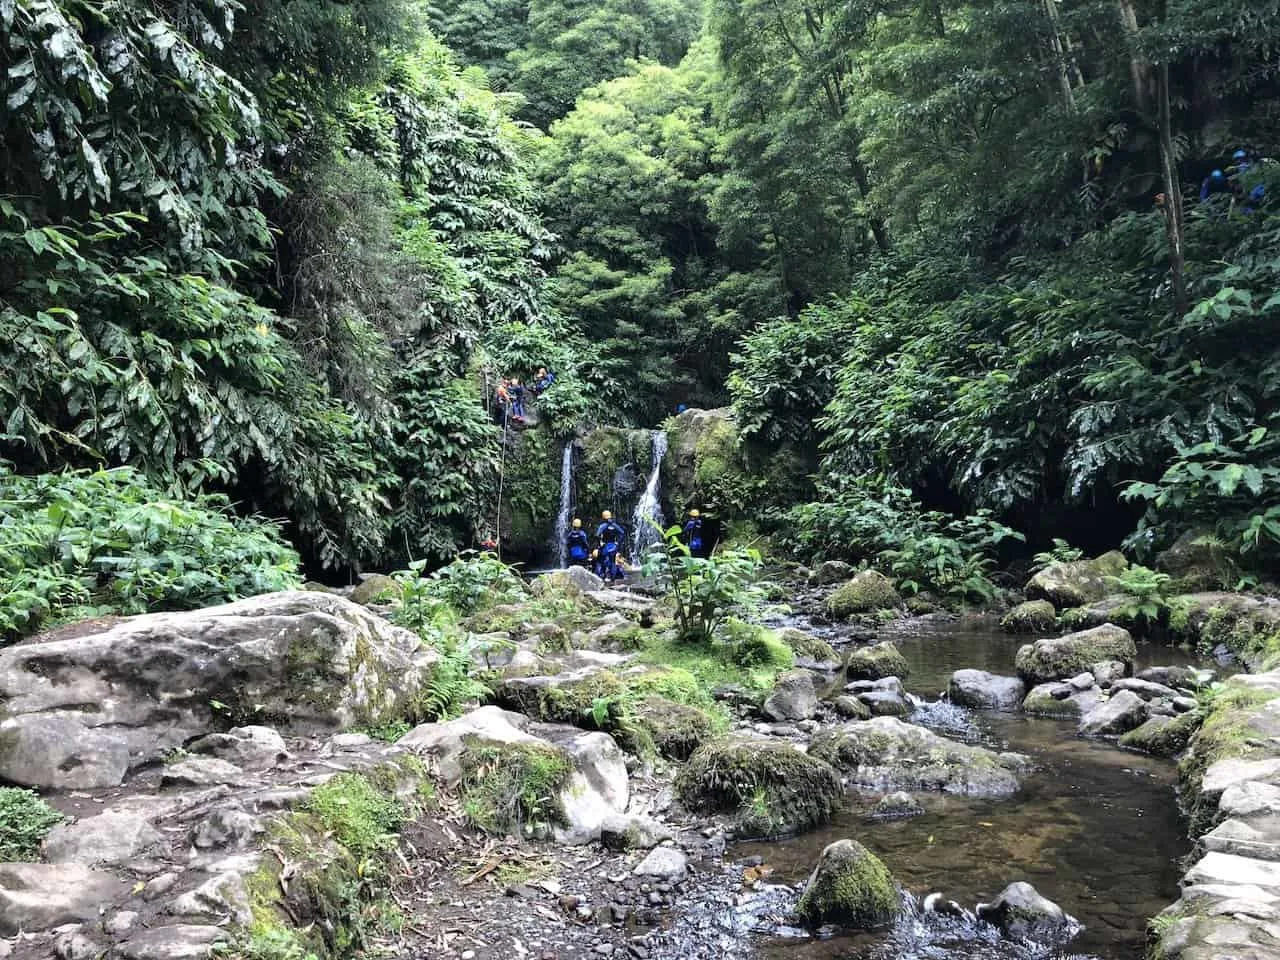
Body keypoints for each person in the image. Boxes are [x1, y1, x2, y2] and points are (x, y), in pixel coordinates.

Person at [595, 510, 626, 582]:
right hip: (613, 546)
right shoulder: (615, 525)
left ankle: (602, 577)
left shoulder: (603, 526)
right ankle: (613, 578)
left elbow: (597, 535)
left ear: (603, 517)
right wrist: (617, 542)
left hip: (606, 546)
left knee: (602, 561)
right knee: (612, 562)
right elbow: (622, 533)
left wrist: (600, 544)